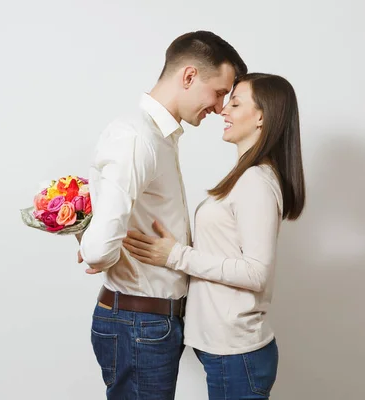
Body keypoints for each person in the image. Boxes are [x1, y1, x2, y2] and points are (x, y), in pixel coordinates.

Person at [76, 31, 247, 399]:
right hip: (138, 323)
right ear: (188, 77)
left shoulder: (159, 136)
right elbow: (98, 250)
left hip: (150, 323)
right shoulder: (137, 137)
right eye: (219, 92)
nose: (220, 107)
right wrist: (93, 247)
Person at [122, 73, 305, 400]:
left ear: (262, 116)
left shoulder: (255, 182)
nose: (224, 110)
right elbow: (225, 249)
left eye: (235, 103)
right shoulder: (245, 177)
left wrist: (176, 254)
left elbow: (255, 272)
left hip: (237, 355)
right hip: (228, 353)